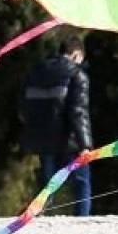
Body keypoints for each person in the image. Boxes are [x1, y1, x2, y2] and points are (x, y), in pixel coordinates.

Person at [20, 35, 93, 216]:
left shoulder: (35, 72)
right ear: (76, 55)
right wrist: (85, 145)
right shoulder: (77, 75)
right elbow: (78, 112)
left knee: (47, 186)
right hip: (70, 141)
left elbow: (23, 105)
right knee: (81, 184)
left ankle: (36, 217)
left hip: (41, 138)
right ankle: (81, 221)